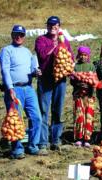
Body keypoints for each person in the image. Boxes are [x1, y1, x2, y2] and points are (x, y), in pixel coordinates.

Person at [0, 25, 42, 159]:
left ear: (24, 36)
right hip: (14, 88)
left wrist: (36, 72)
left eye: (21, 35)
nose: (19, 37)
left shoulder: (28, 52)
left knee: (36, 117)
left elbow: (31, 70)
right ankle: (17, 150)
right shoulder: (6, 50)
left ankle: (33, 146)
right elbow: (5, 70)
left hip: (28, 88)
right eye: (16, 34)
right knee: (15, 121)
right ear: (12, 35)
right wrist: (10, 88)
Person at [35, 16, 74, 154]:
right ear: (47, 26)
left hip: (60, 80)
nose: (53, 27)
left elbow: (70, 59)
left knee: (58, 110)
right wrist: (57, 46)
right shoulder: (41, 40)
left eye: (55, 25)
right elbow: (43, 55)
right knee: (44, 111)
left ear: (59, 26)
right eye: (51, 25)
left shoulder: (66, 42)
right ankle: (43, 143)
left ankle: (56, 140)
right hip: (45, 79)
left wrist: (70, 67)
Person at [71, 46, 96, 148]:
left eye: (85, 55)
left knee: (88, 116)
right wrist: (77, 83)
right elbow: (72, 80)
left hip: (89, 96)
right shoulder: (75, 66)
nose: (83, 57)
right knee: (79, 116)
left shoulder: (91, 66)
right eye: (81, 55)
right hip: (78, 95)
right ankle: (79, 138)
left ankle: (87, 138)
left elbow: (94, 80)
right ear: (78, 55)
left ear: (88, 56)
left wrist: (89, 84)